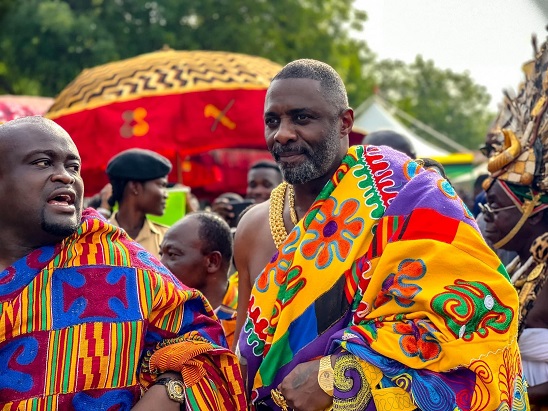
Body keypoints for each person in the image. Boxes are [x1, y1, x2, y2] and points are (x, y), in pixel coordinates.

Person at [234, 59, 526, 410]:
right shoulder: (252, 227)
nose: (282, 133)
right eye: (272, 121)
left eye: (301, 118)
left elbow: (482, 311)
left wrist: (341, 375)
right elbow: (245, 349)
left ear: (345, 123)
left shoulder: (408, 197)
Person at [0, 116, 247, 410]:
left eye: (73, 167)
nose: (66, 176)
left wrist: (170, 389)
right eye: (43, 163)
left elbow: (204, 348)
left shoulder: (119, 262)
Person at [481, 34, 548, 409]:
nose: (485, 217)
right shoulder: (525, 262)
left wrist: (513, 400)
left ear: (532, 210)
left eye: (494, 207)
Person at [160, 212, 238, 347]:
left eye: (172, 254)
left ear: (212, 262)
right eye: (161, 254)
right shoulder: (158, 317)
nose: (159, 265)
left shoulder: (249, 326)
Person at [106, 148, 171, 259]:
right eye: (161, 185)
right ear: (135, 187)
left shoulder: (168, 238)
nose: (166, 194)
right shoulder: (98, 236)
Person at [212, 161, 283, 227]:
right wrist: (217, 222)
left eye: (267, 185)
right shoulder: (241, 222)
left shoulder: (288, 220)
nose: (257, 191)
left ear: (281, 186)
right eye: (253, 185)